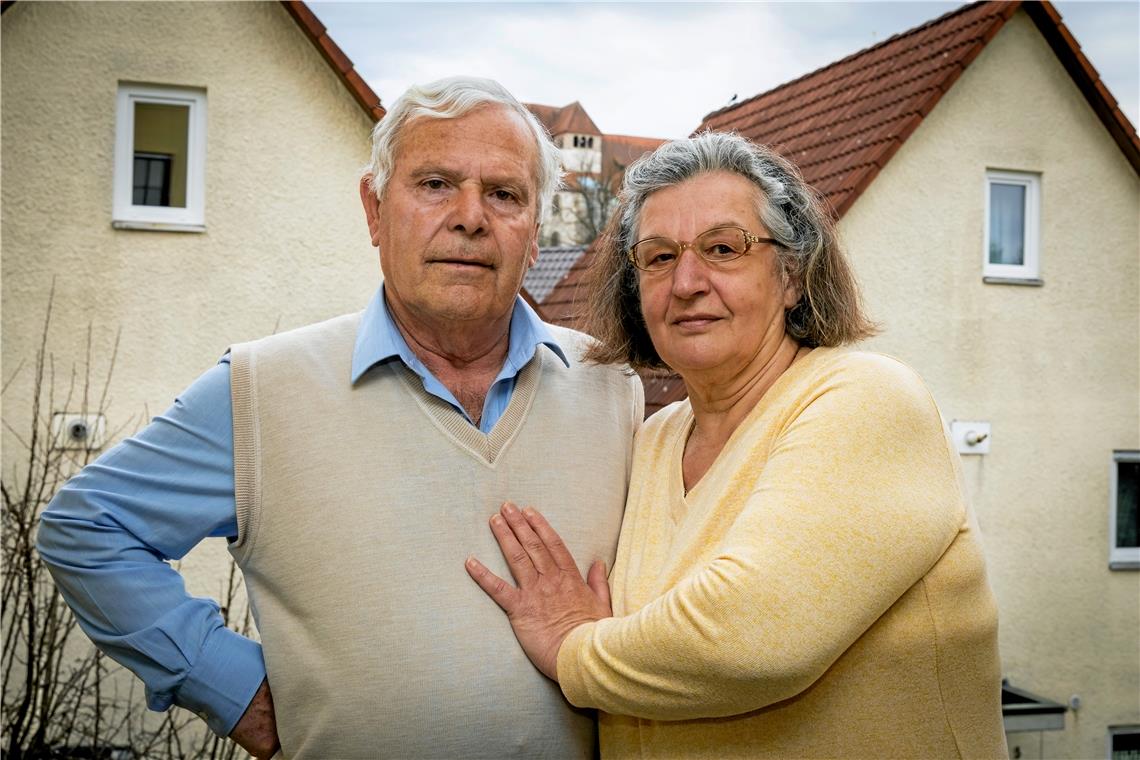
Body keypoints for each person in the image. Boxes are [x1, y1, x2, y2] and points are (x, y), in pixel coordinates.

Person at [37, 76, 643, 759]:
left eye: (504, 194)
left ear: (536, 232)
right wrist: (231, 687)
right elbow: (86, 527)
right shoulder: (260, 390)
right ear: (375, 210)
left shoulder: (610, 385)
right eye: (436, 184)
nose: (472, 217)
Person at [467, 132, 1009, 758]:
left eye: (724, 249)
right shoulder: (656, 438)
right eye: (659, 258)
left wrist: (571, 647)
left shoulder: (865, 399)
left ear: (793, 277)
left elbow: (751, 638)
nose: (687, 282)